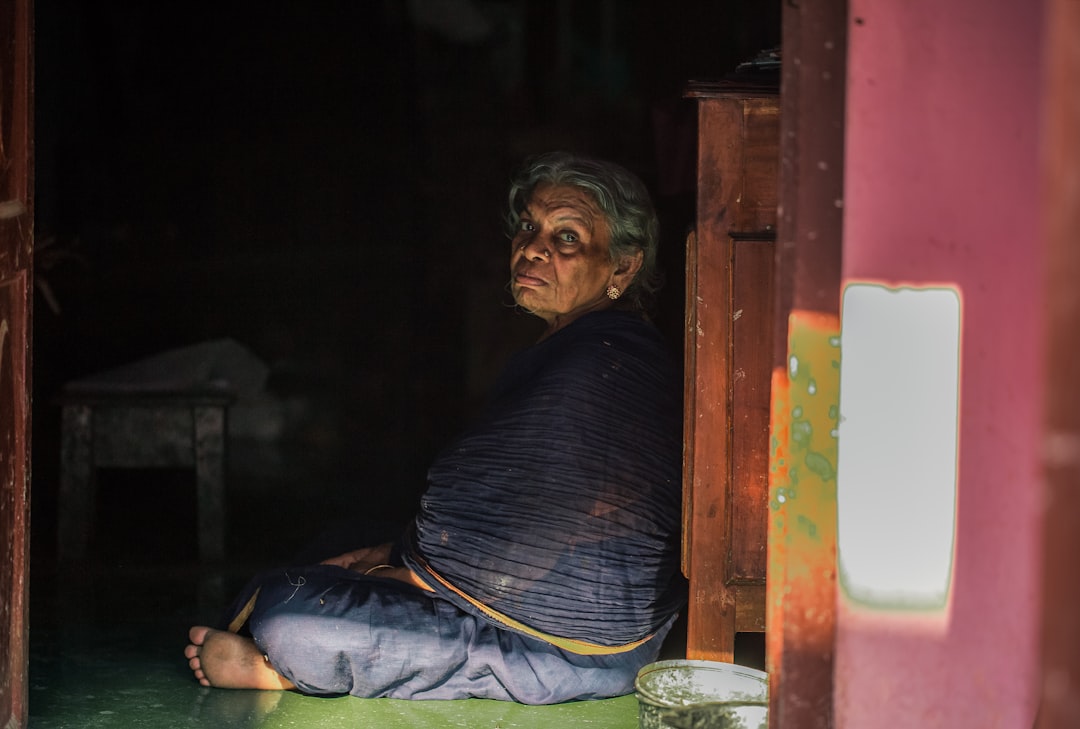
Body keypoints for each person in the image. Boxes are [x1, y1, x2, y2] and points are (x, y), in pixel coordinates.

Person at [184, 151, 686, 703]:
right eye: (527, 226)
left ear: (623, 267)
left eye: (566, 237)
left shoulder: (600, 361)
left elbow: (550, 520)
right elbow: (511, 505)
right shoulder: (589, 344)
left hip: (572, 642)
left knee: (293, 616)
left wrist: (412, 576)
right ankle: (299, 644)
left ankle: (287, 662)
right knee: (339, 542)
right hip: (529, 597)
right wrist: (390, 555)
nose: (533, 247)